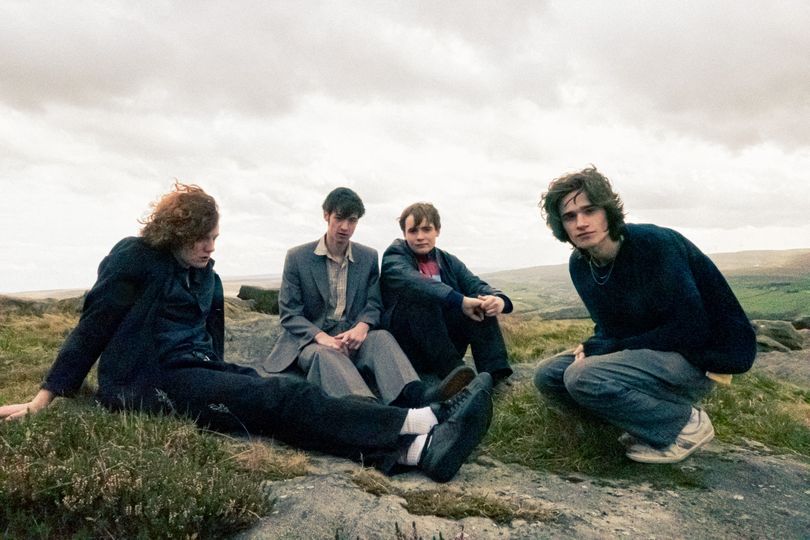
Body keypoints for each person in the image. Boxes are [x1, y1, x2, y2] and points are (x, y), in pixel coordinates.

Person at [0, 183, 493, 483]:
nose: (211, 247)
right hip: (147, 381)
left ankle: (413, 452)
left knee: (278, 402)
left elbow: (210, 343)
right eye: (203, 238)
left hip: (194, 372)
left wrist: (225, 379)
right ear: (176, 231)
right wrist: (45, 398)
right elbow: (93, 326)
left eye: (215, 238)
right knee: (281, 397)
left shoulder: (207, 277)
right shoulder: (136, 257)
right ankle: (423, 419)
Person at [533, 166, 756, 463]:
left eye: (590, 211)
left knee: (581, 376)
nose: (581, 223)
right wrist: (595, 344)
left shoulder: (654, 245)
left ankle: (685, 424)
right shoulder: (581, 265)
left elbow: (691, 328)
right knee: (548, 375)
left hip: (701, 356)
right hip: (654, 354)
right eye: (570, 216)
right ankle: (635, 424)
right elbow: (611, 327)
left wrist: (607, 348)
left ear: (608, 212)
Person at [262, 188, 475, 406]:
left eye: (352, 220)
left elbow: (374, 303)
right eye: (339, 218)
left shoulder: (368, 257)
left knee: (382, 337)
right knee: (326, 355)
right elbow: (289, 313)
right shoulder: (298, 257)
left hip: (353, 336)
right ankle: (368, 409)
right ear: (326, 215)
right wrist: (321, 337)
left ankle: (418, 397)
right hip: (313, 342)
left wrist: (362, 327)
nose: (345, 227)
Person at [380, 202, 514, 385]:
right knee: (421, 297)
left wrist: (498, 300)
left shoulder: (448, 260)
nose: (420, 237)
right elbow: (414, 282)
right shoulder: (394, 256)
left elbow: (474, 284)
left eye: (426, 229)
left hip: (444, 342)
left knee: (480, 303)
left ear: (437, 231)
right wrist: (459, 301)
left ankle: (497, 375)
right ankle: (457, 376)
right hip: (410, 346)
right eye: (413, 231)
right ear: (404, 234)